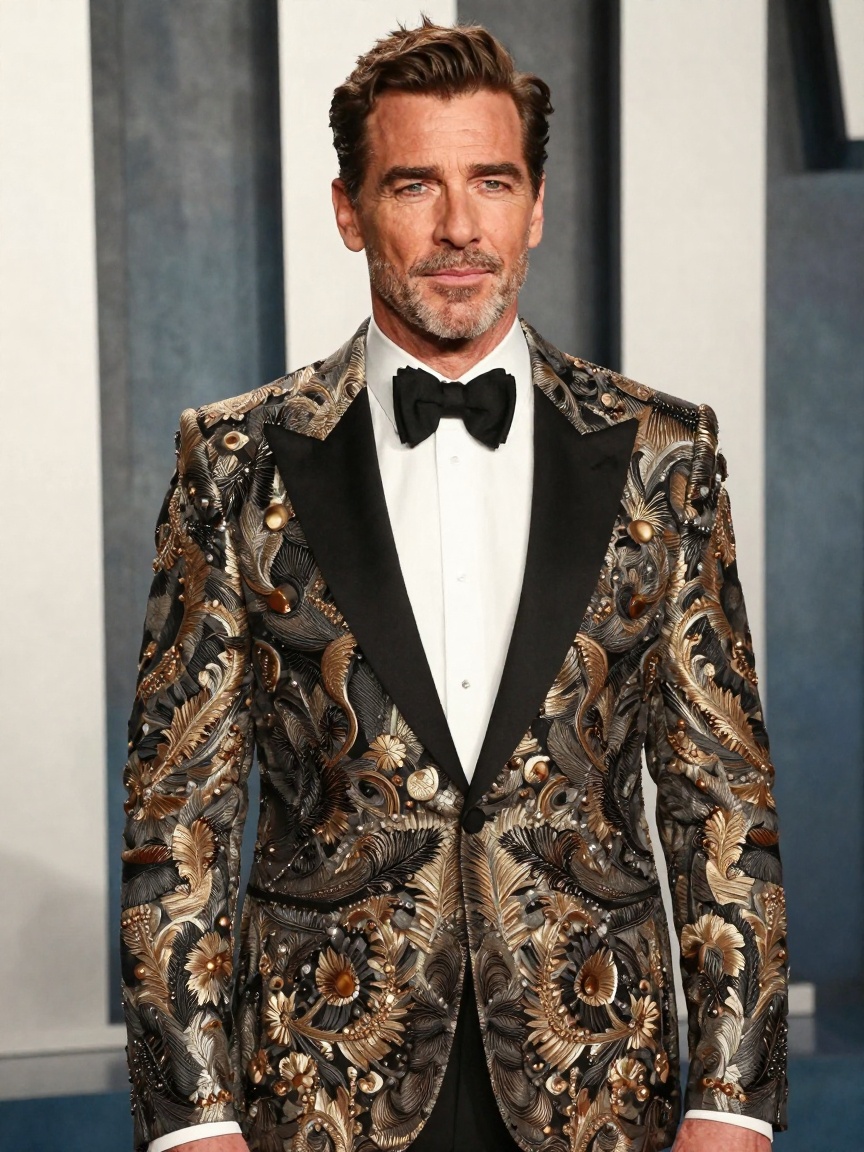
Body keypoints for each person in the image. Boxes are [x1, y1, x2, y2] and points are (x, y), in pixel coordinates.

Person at [120, 19, 788, 1152]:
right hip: (319, 1084)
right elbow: (177, 815)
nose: (459, 227)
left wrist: (733, 1103)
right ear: (349, 210)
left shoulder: (665, 455)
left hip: (598, 1080)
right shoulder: (233, 463)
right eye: (414, 185)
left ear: (536, 206)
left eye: (492, 181)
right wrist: (192, 1122)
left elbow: (722, 798)